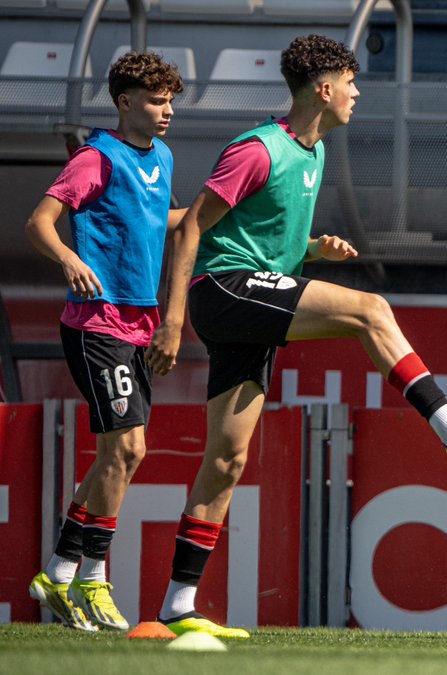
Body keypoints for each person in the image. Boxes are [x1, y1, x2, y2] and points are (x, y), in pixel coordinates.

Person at [145, 34, 447, 638]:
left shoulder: (316, 151)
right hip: (223, 292)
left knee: (226, 460)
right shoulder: (258, 149)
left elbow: (256, 233)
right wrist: (171, 321)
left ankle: (176, 605)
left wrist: (311, 249)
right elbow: (194, 226)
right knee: (370, 310)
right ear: (323, 90)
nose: (358, 93)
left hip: (254, 295)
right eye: (351, 83)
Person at [25, 51, 186, 632]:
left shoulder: (162, 156)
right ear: (124, 102)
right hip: (97, 323)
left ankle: (59, 573)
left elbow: (158, 219)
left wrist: (215, 211)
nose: (166, 110)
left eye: (170, 100)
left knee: (125, 452)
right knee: (125, 450)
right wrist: (69, 258)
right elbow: (39, 222)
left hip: (136, 323)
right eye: (154, 100)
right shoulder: (97, 157)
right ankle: (91, 581)